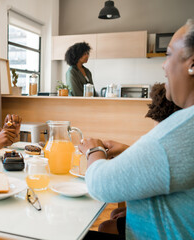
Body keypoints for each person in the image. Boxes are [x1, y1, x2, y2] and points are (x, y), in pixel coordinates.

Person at [80, 19, 194, 239]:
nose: (163, 65)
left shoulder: (185, 127)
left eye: (169, 55)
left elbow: (100, 184)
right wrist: (140, 208)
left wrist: (93, 151)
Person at [97, 82, 182, 237]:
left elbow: (104, 188)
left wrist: (94, 152)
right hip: (174, 211)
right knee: (117, 212)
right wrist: (124, 148)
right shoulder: (180, 141)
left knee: (105, 227)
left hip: (170, 226)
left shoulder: (165, 144)